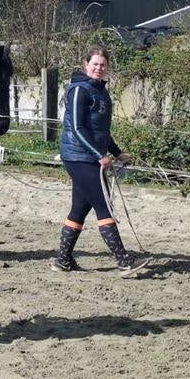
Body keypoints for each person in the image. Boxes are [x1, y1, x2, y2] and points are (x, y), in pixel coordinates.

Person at [54, 45, 150, 276]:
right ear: (86, 64)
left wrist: (117, 152)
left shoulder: (101, 91)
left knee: (79, 209)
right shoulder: (79, 90)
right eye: (95, 64)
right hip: (78, 157)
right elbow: (77, 128)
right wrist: (100, 155)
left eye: (103, 65)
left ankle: (62, 260)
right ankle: (123, 260)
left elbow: (101, 131)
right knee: (104, 205)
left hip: (90, 157)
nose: (99, 68)